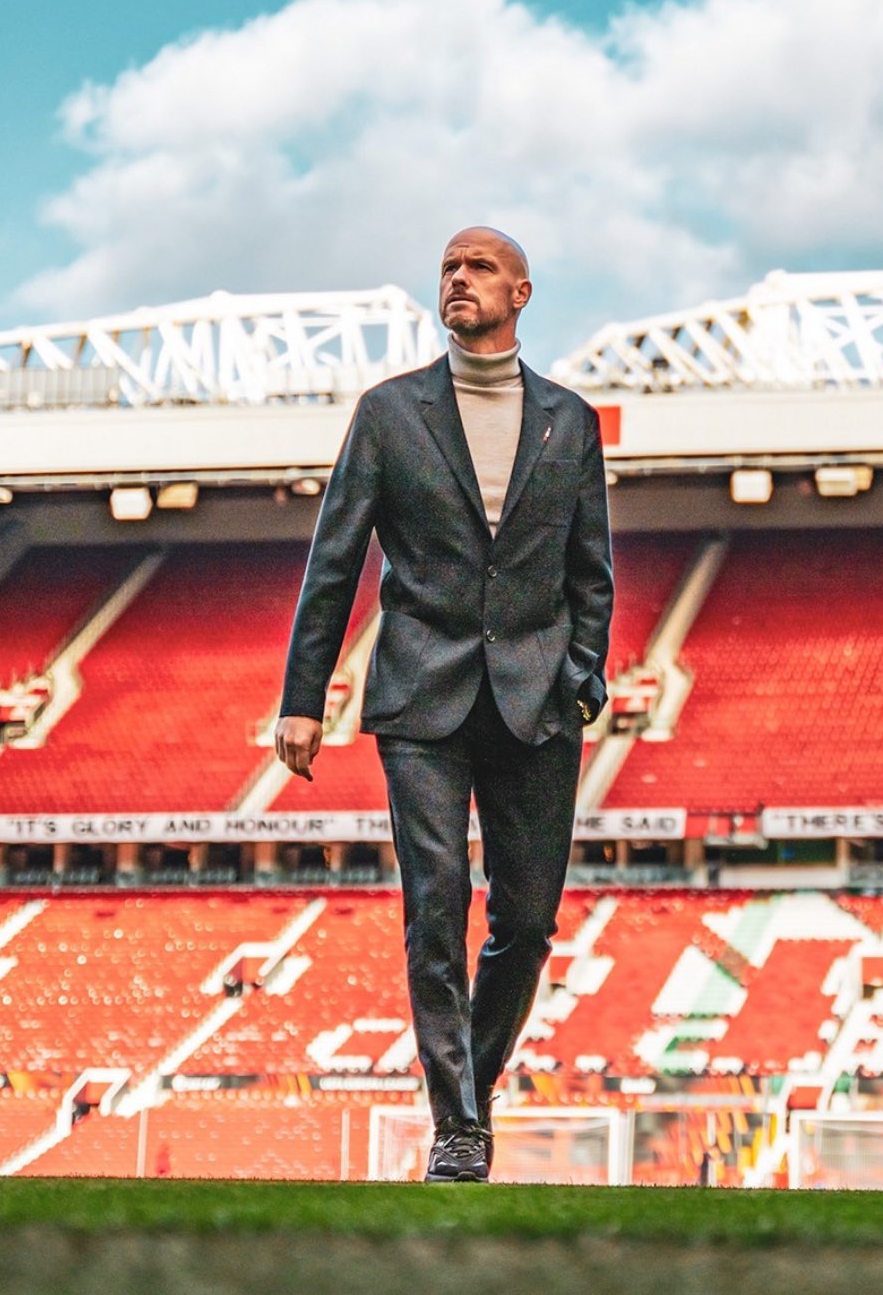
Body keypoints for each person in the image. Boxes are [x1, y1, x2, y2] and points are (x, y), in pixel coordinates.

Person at [275, 227, 614, 1182]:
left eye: (476, 269)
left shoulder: (569, 421)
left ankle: (473, 1086)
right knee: (436, 905)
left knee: (528, 923)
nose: (456, 280)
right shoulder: (389, 413)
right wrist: (305, 697)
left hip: (537, 701)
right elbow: (334, 559)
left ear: (521, 291)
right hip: (420, 694)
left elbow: (591, 569)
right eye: (447, 269)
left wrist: (580, 673)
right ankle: (457, 1124)